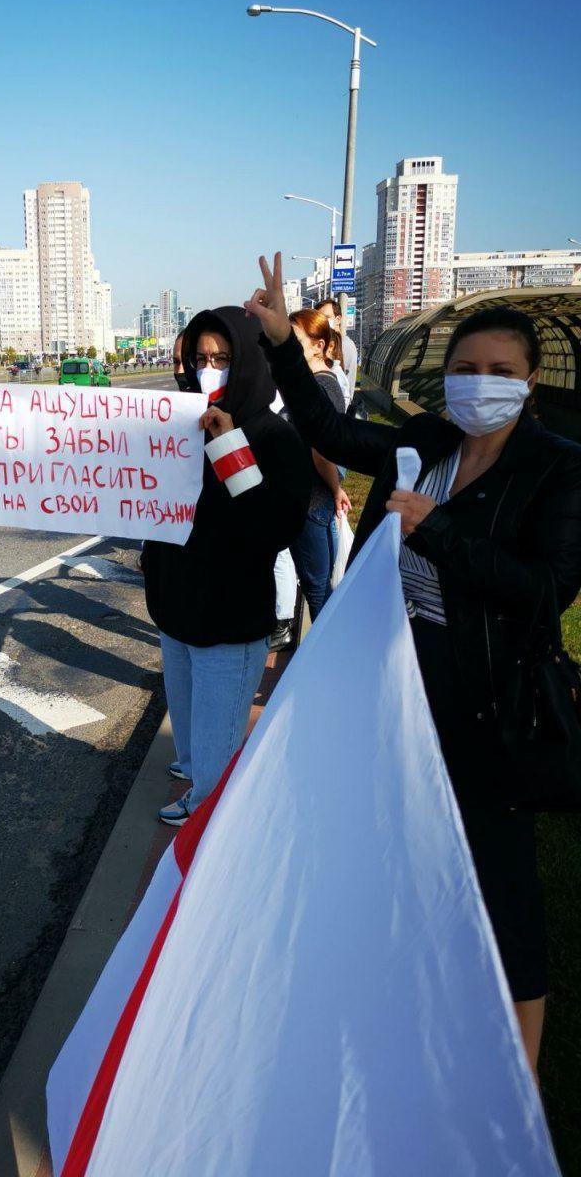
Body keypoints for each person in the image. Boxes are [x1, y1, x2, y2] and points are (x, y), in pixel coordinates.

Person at [246, 251, 581, 1074]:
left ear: (529, 383)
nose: (479, 382)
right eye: (466, 368)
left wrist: (435, 528)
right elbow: (330, 432)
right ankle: (415, 1017)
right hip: (397, 693)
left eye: (498, 370)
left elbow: (546, 593)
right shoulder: (430, 439)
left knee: (502, 889)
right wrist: (284, 342)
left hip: (491, 706)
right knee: (408, 860)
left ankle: (516, 1081)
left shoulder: (558, 470)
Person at [143, 306, 309, 825]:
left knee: (218, 741)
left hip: (229, 617)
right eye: (199, 358)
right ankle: (194, 772)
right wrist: (1, 417)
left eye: (222, 358)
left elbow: (275, 526)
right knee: (190, 729)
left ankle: (208, 815)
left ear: (248, 362)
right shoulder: (177, 422)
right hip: (176, 609)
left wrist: (230, 447)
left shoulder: (274, 435)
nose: (207, 368)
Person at [280, 309, 350, 621]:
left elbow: (322, 451)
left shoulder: (324, 386)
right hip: (306, 498)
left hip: (313, 500)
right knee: (318, 583)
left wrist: (336, 489)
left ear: (318, 345)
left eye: (295, 340)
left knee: (318, 586)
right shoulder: (310, 383)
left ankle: (325, 656)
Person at [316, 296, 358, 395]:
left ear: (338, 319)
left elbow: (347, 382)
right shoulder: (321, 342)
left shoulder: (346, 345)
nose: (322, 321)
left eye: (326, 317)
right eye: (318, 318)